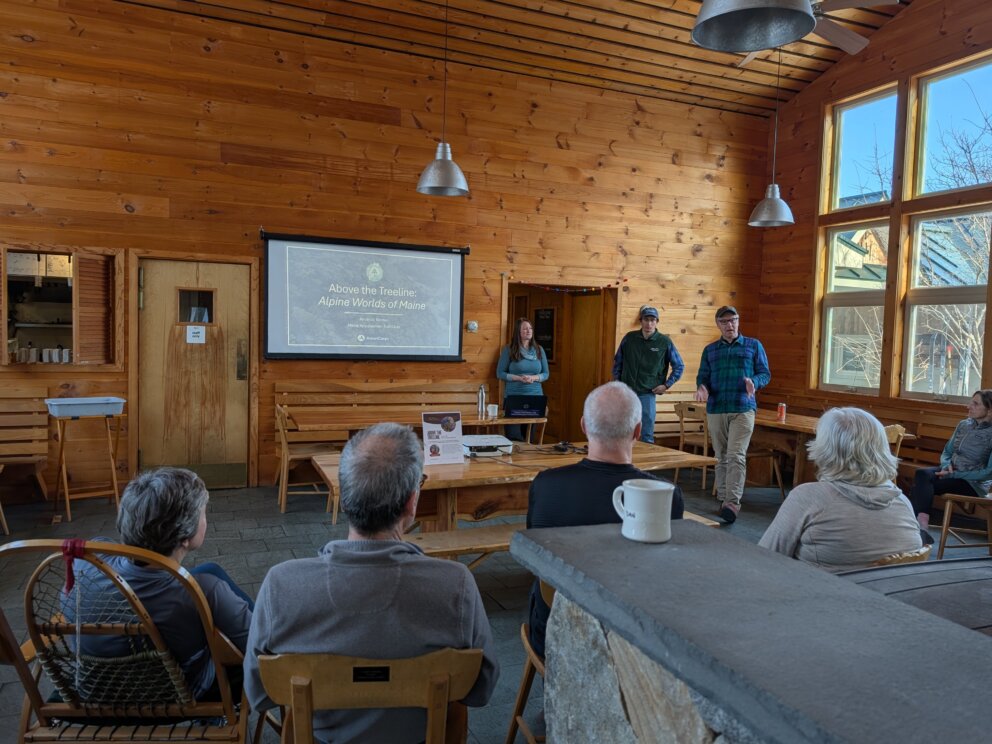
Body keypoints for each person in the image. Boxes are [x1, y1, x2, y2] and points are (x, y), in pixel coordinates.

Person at [244, 423, 498, 743]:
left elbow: (259, 693)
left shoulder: (281, 585)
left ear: (343, 497)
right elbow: (481, 688)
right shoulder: (455, 585)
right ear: (411, 502)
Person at [526, 381, 684, 657]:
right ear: (638, 431)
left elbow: (535, 553)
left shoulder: (545, 485)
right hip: (635, 642)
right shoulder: (666, 496)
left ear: (583, 426)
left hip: (556, 633)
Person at [66, 467, 253, 700]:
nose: (206, 519)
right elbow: (257, 646)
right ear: (185, 536)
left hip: (96, 693)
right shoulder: (203, 591)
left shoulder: (85, 562)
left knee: (210, 570)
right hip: (175, 697)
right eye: (203, 514)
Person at [759, 408, 923, 572]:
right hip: (889, 588)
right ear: (882, 449)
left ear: (824, 450)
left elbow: (764, 559)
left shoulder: (808, 498)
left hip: (819, 587)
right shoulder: (903, 502)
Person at [695, 305, 771, 524]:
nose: (730, 325)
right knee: (721, 456)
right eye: (725, 321)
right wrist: (702, 387)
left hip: (743, 408)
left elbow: (764, 373)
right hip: (717, 408)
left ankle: (732, 502)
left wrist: (754, 382)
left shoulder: (753, 346)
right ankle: (723, 498)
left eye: (733, 320)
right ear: (718, 325)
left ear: (738, 321)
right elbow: (703, 376)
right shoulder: (710, 350)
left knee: (736, 455)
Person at [908, 389, 992, 542]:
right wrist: (947, 466)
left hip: (972, 483)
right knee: (922, 474)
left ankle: (917, 529)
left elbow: (988, 473)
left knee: (919, 488)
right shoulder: (963, 425)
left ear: (989, 410)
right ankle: (921, 528)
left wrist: (954, 474)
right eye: (971, 402)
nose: (969, 406)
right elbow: (947, 451)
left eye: (975, 404)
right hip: (950, 471)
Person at [612, 305, 684, 444]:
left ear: (657, 322)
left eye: (652, 320)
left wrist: (666, 385)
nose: (649, 323)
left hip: (648, 393)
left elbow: (679, 366)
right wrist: (618, 383)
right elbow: (617, 362)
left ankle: (645, 458)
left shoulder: (664, 342)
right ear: (641, 321)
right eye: (646, 319)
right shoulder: (629, 338)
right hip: (627, 393)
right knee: (624, 432)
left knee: (646, 435)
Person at [496, 317, 550, 441]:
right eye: (525, 329)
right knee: (513, 437)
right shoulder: (509, 350)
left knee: (529, 438)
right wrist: (518, 378)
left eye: (530, 328)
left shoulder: (539, 350)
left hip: (535, 398)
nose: (529, 331)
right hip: (514, 399)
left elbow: (546, 374)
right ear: (518, 332)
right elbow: (500, 373)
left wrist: (534, 378)